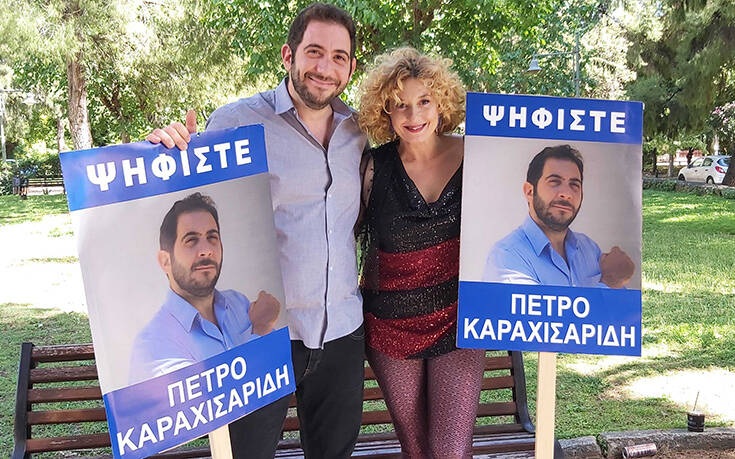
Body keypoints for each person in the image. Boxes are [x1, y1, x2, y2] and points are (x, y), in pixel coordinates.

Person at [145, 4, 366, 458]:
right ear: (288, 55)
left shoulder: (359, 131)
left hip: (342, 333)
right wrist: (165, 151)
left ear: (350, 68)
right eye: (314, 52)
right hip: (263, 337)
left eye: (338, 57)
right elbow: (186, 203)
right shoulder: (236, 122)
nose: (325, 68)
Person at [357, 47, 486, 458]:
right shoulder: (371, 167)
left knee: (450, 451)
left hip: (460, 321)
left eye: (424, 101)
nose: (414, 115)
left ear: (442, 101)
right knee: (416, 450)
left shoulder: (477, 155)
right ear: (386, 111)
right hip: (390, 328)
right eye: (400, 105)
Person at [128, 192, 280, 385]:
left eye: (212, 237)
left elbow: (276, 368)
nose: (206, 250)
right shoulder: (152, 345)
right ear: (165, 261)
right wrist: (262, 328)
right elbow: (211, 398)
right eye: (191, 240)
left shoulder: (238, 302)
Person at [483, 144, 635, 288]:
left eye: (574, 185)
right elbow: (536, 312)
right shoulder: (507, 257)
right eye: (554, 182)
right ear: (529, 192)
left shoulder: (589, 248)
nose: (567, 194)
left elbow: (618, 307)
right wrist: (611, 280)